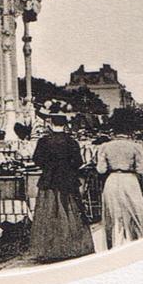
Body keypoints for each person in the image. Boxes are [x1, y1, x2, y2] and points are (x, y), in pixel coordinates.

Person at [29, 101, 94, 262]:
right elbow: (78, 162)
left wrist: (48, 166)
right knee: (70, 211)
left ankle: (50, 248)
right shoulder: (71, 142)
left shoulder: (43, 141)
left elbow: (37, 159)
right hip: (67, 180)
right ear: (65, 125)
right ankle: (70, 246)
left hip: (49, 180)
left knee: (48, 213)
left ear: (51, 123)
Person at [96, 115, 143, 249]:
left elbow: (101, 169)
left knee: (113, 214)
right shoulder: (135, 147)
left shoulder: (105, 147)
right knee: (135, 211)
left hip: (112, 180)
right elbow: (142, 170)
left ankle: (116, 242)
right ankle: (133, 240)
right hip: (130, 181)